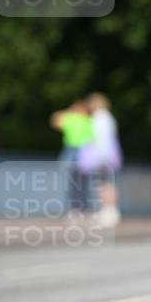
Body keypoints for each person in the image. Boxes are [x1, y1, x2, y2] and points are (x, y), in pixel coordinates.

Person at [80, 93, 123, 227]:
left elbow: (102, 139)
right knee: (107, 183)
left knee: (105, 184)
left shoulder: (100, 118)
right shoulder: (107, 117)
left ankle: (108, 212)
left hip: (103, 155)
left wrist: (102, 156)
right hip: (108, 153)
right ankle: (109, 211)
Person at [50, 99, 94, 211]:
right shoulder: (79, 118)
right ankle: (77, 207)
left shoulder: (84, 119)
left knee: (79, 181)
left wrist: (69, 111)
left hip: (82, 150)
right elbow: (55, 121)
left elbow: (55, 120)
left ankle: (80, 207)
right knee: (76, 180)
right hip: (75, 149)